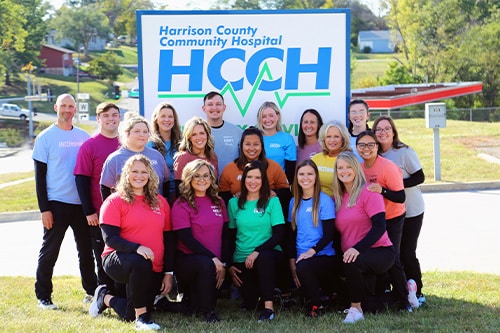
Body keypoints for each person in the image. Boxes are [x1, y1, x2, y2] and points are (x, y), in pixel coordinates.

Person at [90, 154, 175, 331]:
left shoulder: (161, 203)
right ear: (126, 175)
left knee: (129, 311)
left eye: (144, 172)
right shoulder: (114, 201)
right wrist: (137, 248)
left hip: (153, 267)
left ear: (150, 175)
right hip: (118, 260)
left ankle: (104, 297)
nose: (139, 176)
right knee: (140, 263)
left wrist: (168, 272)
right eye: (134, 171)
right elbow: (110, 238)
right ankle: (142, 318)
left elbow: (169, 239)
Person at [32, 93, 97, 309]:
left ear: (75, 109)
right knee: (50, 251)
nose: (67, 110)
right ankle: (43, 295)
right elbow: (39, 177)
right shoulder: (45, 137)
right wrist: (45, 209)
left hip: (82, 205)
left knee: (86, 252)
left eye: (71, 106)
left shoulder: (84, 137)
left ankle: (91, 292)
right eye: (64, 106)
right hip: (56, 203)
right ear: (56, 107)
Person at [356, 131, 416, 311]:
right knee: (377, 258)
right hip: (374, 219)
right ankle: (384, 296)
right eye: (362, 145)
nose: (366, 149)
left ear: (377, 146)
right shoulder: (359, 168)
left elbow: (400, 196)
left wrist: (382, 191)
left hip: (393, 218)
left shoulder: (387, 167)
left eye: (370, 145)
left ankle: (405, 301)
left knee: (393, 259)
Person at [332, 151, 395, 323]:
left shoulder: (369, 191)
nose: (344, 171)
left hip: (380, 252)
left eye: (348, 167)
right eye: (340, 168)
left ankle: (356, 309)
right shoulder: (339, 197)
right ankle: (399, 295)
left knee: (352, 261)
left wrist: (356, 248)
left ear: (356, 169)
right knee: (373, 306)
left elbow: (379, 227)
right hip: (354, 255)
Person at [373, 115, 426, 306]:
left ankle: (418, 291)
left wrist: (395, 186)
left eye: (387, 129)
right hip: (390, 212)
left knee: (407, 252)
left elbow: (420, 176)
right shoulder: (375, 154)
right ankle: (401, 290)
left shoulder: (404, 151)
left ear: (393, 131)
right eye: (379, 129)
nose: (383, 132)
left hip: (411, 209)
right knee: (392, 254)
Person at [171, 159, 229, 322]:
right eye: (196, 176)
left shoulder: (218, 202)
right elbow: (186, 239)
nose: (202, 179)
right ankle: (208, 313)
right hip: (188, 262)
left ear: (211, 178)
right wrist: (213, 259)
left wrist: (223, 263)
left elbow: (225, 235)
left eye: (206, 175)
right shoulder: (181, 204)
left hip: (214, 264)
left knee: (192, 307)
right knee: (205, 265)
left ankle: (170, 303)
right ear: (188, 178)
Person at [227, 160, 285, 322]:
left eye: (258, 178)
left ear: (263, 180)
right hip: (242, 260)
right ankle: (263, 296)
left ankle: (269, 309)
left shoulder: (272, 201)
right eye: (249, 177)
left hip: (269, 255)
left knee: (264, 258)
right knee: (251, 303)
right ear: (243, 179)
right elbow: (230, 236)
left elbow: (279, 234)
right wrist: (229, 265)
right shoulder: (233, 203)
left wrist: (257, 251)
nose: (253, 181)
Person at [74, 102, 121, 296]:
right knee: (102, 254)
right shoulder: (90, 145)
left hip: (125, 212)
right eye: (106, 115)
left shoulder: (126, 142)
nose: (111, 118)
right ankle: (104, 294)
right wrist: (89, 211)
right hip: (99, 213)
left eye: (115, 115)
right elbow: (81, 180)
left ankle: (120, 293)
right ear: (98, 118)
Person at [287, 159, 337, 317]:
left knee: (305, 268)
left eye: (310, 173)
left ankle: (317, 307)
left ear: (316, 177)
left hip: (322, 255)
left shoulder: (324, 200)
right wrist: (292, 263)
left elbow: (329, 234)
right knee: (303, 300)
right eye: (301, 174)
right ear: (296, 177)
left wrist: (311, 251)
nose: (305, 177)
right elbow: (291, 234)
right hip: (301, 257)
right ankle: (317, 299)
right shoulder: (293, 202)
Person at [100, 114, 170, 201]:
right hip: (126, 210)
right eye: (137, 131)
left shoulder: (157, 156)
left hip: (154, 208)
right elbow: (105, 187)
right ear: (127, 134)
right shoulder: (115, 158)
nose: (142, 134)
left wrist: (165, 201)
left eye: (145, 132)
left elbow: (166, 181)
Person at [219, 126, 290, 206]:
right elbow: (222, 196)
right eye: (247, 144)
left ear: (262, 146)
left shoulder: (274, 167)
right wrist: (234, 197)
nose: (251, 148)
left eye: (256, 144)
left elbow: (286, 193)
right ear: (241, 146)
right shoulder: (229, 169)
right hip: (238, 215)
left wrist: (274, 193)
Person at [147, 102, 182, 204]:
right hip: (158, 196)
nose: (167, 120)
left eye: (170, 116)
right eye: (163, 116)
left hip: (180, 194)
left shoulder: (182, 142)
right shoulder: (149, 145)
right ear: (156, 119)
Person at [202, 91, 243, 177]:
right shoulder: (198, 132)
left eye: (218, 104)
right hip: (205, 185)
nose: (214, 107)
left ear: (224, 107)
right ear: (204, 108)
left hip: (231, 185)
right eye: (210, 104)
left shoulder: (237, 132)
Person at [174, 116, 218, 194]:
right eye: (194, 134)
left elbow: (215, 185)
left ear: (207, 135)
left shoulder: (213, 157)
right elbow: (179, 189)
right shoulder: (183, 158)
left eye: (202, 133)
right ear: (189, 138)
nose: (199, 137)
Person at [256, 101, 296, 183]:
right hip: (256, 185)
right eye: (264, 116)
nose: (267, 120)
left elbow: (291, 170)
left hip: (279, 186)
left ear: (278, 116)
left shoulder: (287, 139)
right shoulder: (255, 138)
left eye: (271, 115)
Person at [311, 120, 352, 196]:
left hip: (339, 204)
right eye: (328, 136)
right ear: (324, 139)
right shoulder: (315, 159)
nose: (332, 140)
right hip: (316, 203)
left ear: (343, 139)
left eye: (336, 136)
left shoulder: (349, 160)